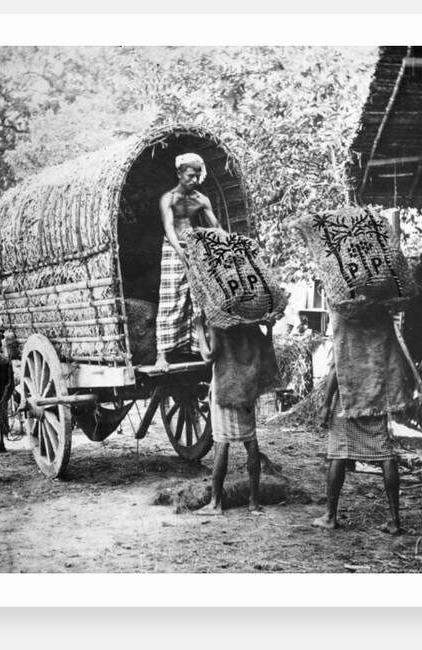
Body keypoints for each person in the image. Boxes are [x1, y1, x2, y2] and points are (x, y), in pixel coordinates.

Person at [311, 306, 412, 536]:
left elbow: (336, 367)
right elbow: (393, 359)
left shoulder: (344, 319)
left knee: (338, 453)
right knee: (385, 454)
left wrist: (326, 405)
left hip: (348, 397)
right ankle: (394, 520)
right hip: (375, 395)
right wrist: (395, 397)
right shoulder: (382, 315)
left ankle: (330, 516)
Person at [194, 311, 280, 516]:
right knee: (250, 440)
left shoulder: (219, 321)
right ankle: (254, 502)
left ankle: (216, 503)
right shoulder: (251, 321)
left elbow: (208, 356)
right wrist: (269, 328)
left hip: (225, 388)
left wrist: (199, 327)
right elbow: (265, 344)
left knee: (221, 442)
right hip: (247, 387)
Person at [154, 153, 221, 371]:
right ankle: (162, 355)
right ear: (179, 173)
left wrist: (229, 243)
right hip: (173, 249)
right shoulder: (168, 198)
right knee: (171, 298)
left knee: (199, 298)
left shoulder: (201, 199)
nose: (194, 180)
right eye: (190, 175)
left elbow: (215, 227)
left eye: (197, 176)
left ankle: (198, 349)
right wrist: (179, 251)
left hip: (195, 247)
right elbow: (168, 228)